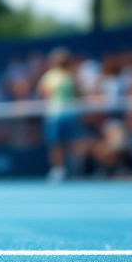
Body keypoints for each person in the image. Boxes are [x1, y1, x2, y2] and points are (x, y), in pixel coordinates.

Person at [37, 47, 78, 183]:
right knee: (56, 144)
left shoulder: (70, 76)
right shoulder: (53, 76)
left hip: (65, 115)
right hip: (55, 115)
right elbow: (44, 93)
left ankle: (71, 169)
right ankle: (59, 170)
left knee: (66, 144)